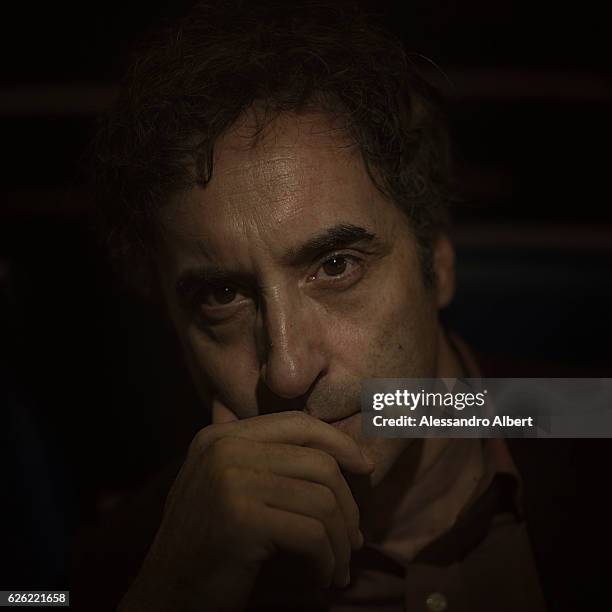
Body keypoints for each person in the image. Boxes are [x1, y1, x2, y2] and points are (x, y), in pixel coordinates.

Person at [74, 2, 592, 610]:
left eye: (336, 266)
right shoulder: (122, 572)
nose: (289, 370)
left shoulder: (587, 421)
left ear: (438, 262)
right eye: (223, 296)